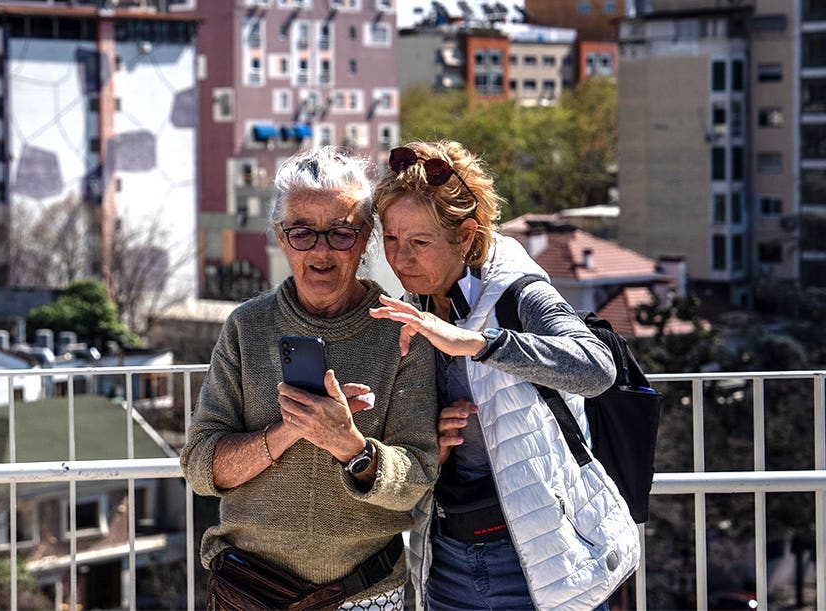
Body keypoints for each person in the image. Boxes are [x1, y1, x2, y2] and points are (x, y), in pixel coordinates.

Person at [368, 140, 640, 610]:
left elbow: (597, 368)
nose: (400, 258)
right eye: (391, 239)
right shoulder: (412, 308)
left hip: (544, 561)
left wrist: (478, 343)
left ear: (467, 237)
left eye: (419, 242)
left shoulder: (518, 292)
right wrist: (433, 440)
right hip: (447, 560)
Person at [181, 147, 439, 610]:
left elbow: (417, 478)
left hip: (366, 594)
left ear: (365, 241)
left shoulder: (403, 333)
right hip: (250, 592)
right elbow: (200, 466)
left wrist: (349, 446)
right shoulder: (247, 327)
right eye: (302, 233)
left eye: (341, 233)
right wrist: (288, 431)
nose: (321, 250)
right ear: (281, 238)